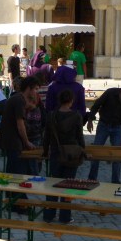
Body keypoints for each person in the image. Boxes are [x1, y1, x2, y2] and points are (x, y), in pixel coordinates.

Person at [42, 89, 85, 224]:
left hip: (55, 152)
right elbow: (80, 136)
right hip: (71, 154)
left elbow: (47, 136)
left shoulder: (51, 115)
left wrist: (45, 151)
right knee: (68, 185)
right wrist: (83, 151)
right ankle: (65, 216)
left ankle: (49, 214)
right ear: (71, 101)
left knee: (52, 184)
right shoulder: (76, 116)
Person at [0, 76, 39, 176]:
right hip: (13, 141)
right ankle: (14, 192)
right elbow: (20, 125)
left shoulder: (19, 99)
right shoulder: (19, 100)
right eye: (36, 89)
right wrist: (27, 142)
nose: (37, 92)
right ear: (29, 88)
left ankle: (15, 191)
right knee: (15, 175)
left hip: (12, 140)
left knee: (16, 172)